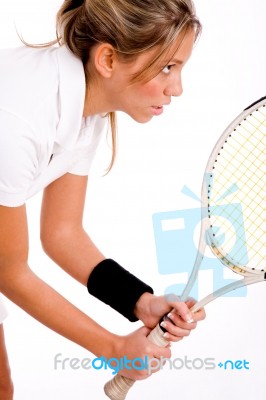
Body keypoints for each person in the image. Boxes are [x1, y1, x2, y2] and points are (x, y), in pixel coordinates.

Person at [0, 0, 205, 396]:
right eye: (167, 67)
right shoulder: (20, 121)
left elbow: (61, 232)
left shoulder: (86, 108)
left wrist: (139, 302)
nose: (176, 88)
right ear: (108, 59)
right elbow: (8, 271)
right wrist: (114, 348)